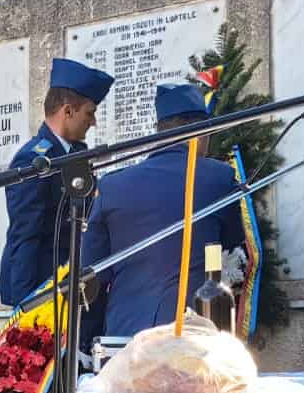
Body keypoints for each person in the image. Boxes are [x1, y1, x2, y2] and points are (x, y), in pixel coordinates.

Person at [0, 58, 113, 393]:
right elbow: (26, 234)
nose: (93, 122)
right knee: (47, 388)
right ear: (67, 110)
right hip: (44, 292)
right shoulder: (34, 159)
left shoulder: (77, 157)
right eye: (89, 112)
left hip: (73, 291)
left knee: (68, 389)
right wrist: (32, 302)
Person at [82, 82, 246, 343]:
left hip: (126, 338)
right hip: (192, 334)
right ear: (202, 131)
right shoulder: (220, 178)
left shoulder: (111, 185)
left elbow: (91, 278)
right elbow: (233, 252)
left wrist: (86, 342)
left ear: (159, 131)